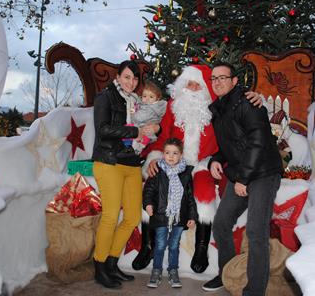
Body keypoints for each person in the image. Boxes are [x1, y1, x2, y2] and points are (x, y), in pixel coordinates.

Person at [135, 64, 263, 274]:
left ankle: (201, 248)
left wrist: (256, 97)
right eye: (188, 84)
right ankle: (147, 246)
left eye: (197, 85)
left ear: (206, 89)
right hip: (173, 161)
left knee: (204, 193)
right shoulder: (172, 107)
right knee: (152, 184)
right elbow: (163, 138)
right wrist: (155, 157)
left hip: (203, 163)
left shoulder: (217, 109)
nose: (192, 88)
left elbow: (231, 134)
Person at [202, 61, 283, 295]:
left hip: (263, 172)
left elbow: (258, 142)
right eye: (214, 78)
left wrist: (243, 179)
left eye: (222, 78)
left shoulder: (249, 102)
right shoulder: (218, 109)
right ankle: (227, 274)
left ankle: (254, 290)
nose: (217, 82)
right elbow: (229, 144)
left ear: (234, 80)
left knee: (256, 231)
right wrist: (215, 159)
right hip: (242, 172)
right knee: (221, 223)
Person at [92, 60, 159, 289]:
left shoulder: (137, 103)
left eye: (135, 78)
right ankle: (99, 266)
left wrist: (152, 129)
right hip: (109, 161)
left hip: (131, 163)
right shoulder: (106, 97)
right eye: (127, 77)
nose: (131, 82)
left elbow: (147, 127)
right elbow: (102, 130)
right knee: (111, 216)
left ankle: (111, 262)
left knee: (131, 217)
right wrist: (135, 130)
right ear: (118, 76)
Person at [143, 138, 198, 288]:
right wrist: (148, 204)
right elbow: (148, 191)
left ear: (181, 155)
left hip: (179, 217)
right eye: (167, 153)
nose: (171, 156)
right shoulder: (156, 171)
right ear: (163, 154)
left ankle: (173, 271)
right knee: (160, 245)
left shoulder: (186, 174)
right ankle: (156, 270)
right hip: (161, 215)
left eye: (175, 153)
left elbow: (190, 197)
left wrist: (192, 216)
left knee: (174, 245)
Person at [130, 81, 167, 154]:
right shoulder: (146, 104)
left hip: (146, 133)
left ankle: (136, 149)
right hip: (145, 131)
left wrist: (133, 114)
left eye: (151, 97)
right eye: (144, 96)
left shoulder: (151, 108)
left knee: (129, 129)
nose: (147, 99)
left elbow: (139, 118)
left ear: (157, 99)